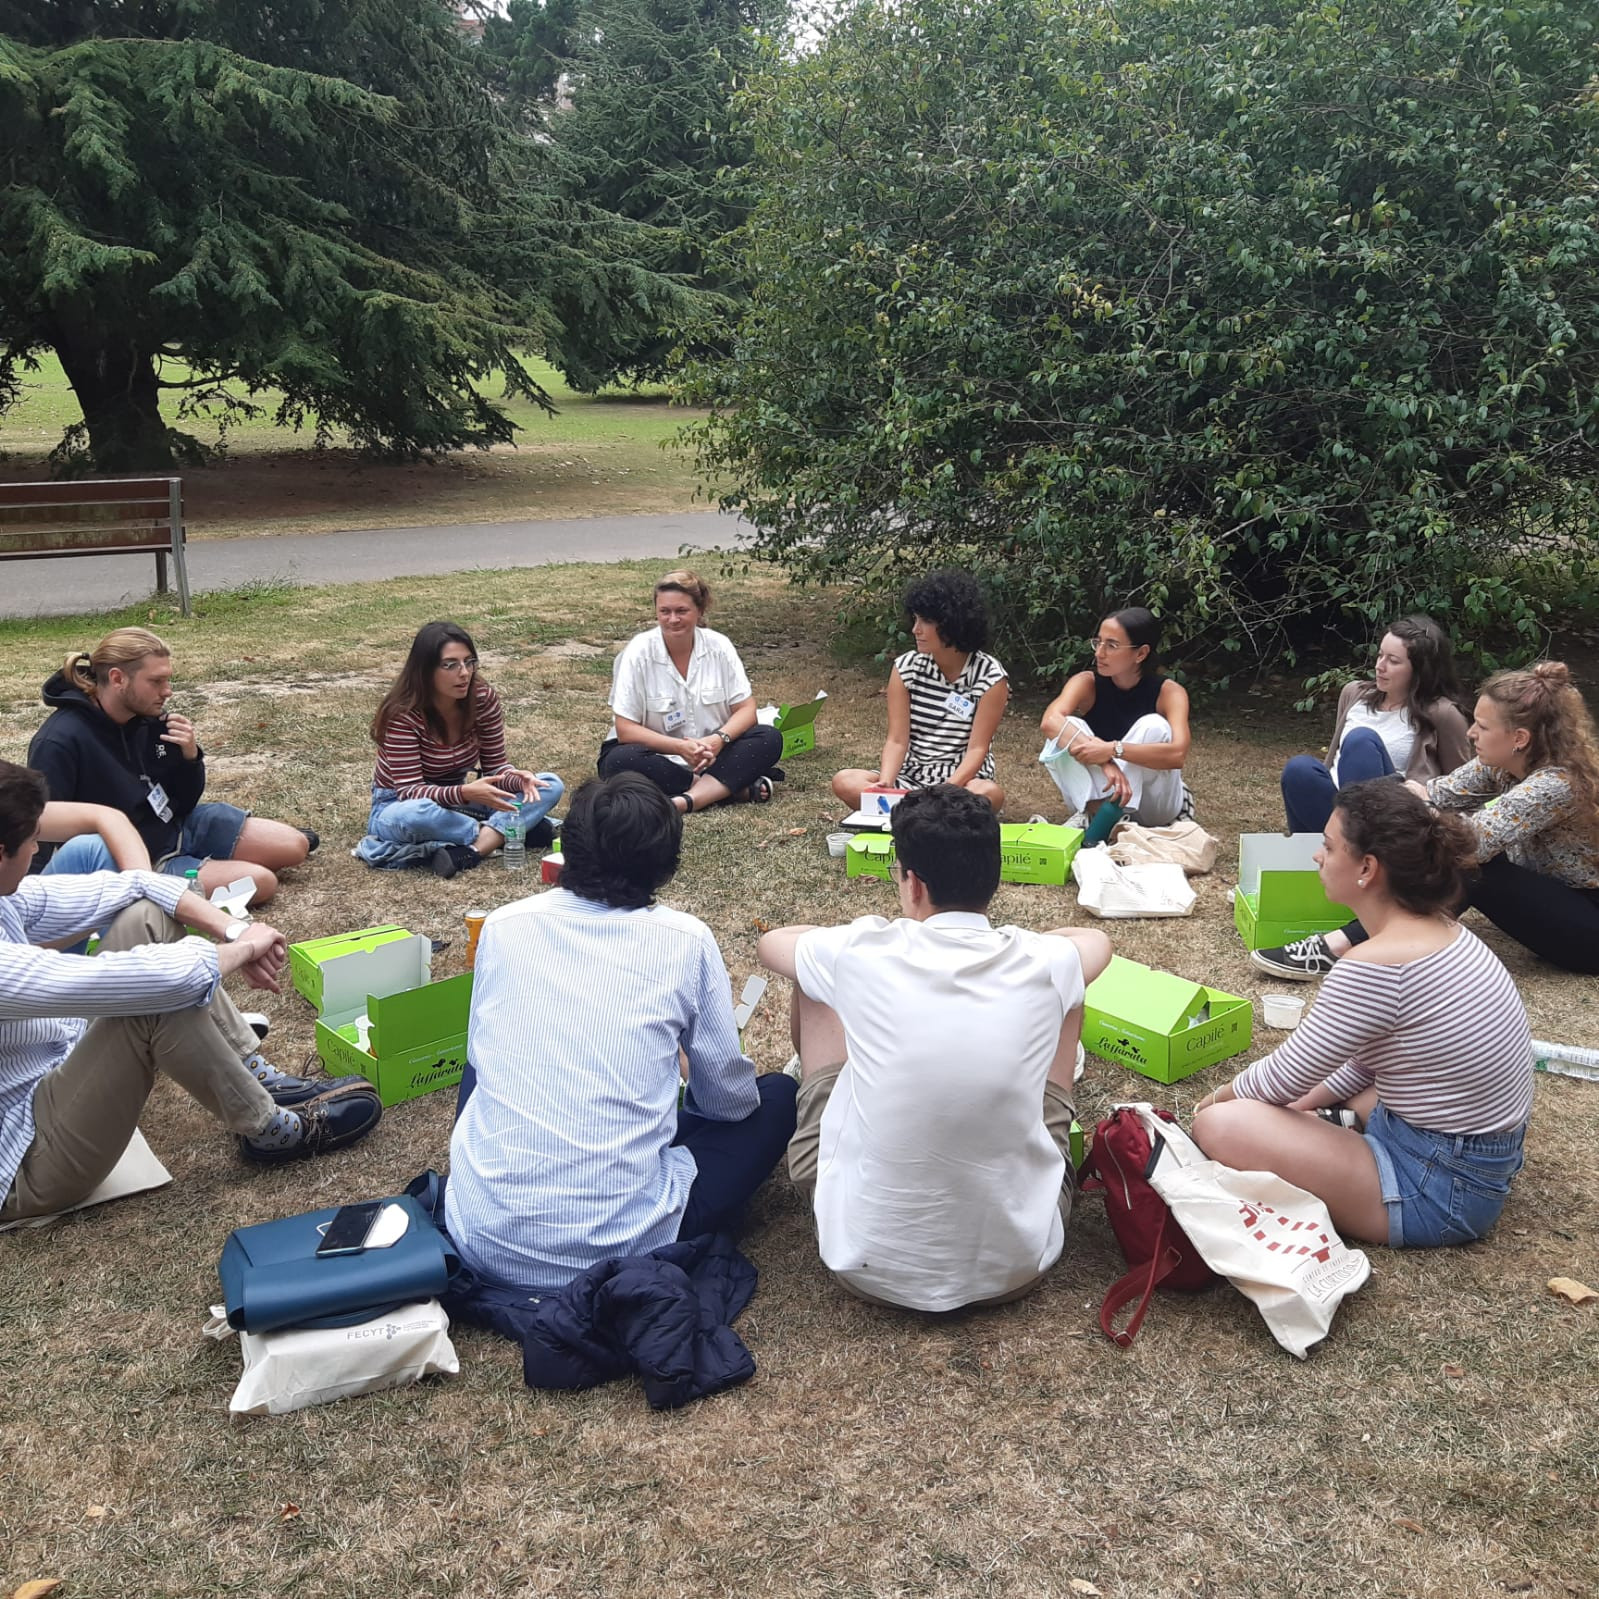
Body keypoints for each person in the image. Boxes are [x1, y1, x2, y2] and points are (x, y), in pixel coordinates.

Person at [758, 784, 1112, 1312]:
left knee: (811, 978)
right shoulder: (1041, 958)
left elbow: (774, 944)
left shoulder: (862, 950)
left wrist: (848, 942)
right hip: (1019, 1260)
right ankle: (1036, 1078)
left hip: (865, 1261)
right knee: (1070, 986)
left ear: (913, 882)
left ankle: (825, 1085)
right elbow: (1096, 944)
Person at [445, 773, 797, 1291]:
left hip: (480, 1235)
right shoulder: (685, 939)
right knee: (779, 1097)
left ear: (570, 846)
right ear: (667, 861)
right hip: (623, 1246)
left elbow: (487, 1054)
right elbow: (727, 1103)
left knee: (482, 1062)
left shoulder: (503, 924)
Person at [0, 761, 382, 1224]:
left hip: (42, 1084)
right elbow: (153, 982)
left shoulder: (8, 898)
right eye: (30, 843)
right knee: (153, 1000)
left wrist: (235, 927)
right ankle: (268, 1131)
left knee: (145, 915)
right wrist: (242, 951)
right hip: (25, 1165)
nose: (39, 849)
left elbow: (138, 885)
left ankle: (252, 1072)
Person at [1193, 780, 1532, 1249]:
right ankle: (1342, 1128)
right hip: (1480, 1153)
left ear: (1367, 869)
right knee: (1317, 1097)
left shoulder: (1375, 965)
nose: (1317, 856)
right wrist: (1295, 1109)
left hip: (1439, 1189)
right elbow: (1368, 1059)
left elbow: (1281, 1079)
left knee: (1222, 1125)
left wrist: (1211, 1103)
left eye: (1329, 847)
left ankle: (1345, 1140)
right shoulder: (1445, 930)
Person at [1254, 660, 1599, 978]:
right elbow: (1439, 791)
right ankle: (1372, 921)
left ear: (1519, 739)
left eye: (1481, 726)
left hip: (1587, 929)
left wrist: (1412, 810)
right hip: (1550, 898)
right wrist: (1398, 796)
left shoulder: (1558, 784)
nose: (1470, 734)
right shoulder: (1504, 765)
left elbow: (1472, 839)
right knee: (1442, 836)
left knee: (1471, 865)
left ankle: (1344, 944)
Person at [26, 628, 315, 905]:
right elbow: (37, 825)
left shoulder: (149, 720)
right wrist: (27, 898)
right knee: (261, 882)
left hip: (177, 826)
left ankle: (215, 863)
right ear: (117, 679)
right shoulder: (60, 741)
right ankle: (185, 879)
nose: (168, 692)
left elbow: (185, 802)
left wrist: (189, 759)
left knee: (295, 846)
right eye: (156, 681)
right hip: (141, 859)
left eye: (168, 680)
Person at [356, 621, 564, 879]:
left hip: (461, 804)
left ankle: (475, 849)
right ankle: (507, 831)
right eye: (450, 665)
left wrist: (518, 779)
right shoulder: (402, 714)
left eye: (469, 662)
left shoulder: (482, 699)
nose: (464, 672)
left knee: (549, 784)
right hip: (399, 804)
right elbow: (410, 792)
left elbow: (496, 767)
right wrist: (465, 792)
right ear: (425, 670)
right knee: (415, 815)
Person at [598, 570, 785, 815]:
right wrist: (679, 748)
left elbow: (747, 710)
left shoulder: (719, 646)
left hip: (715, 753)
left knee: (769, 738)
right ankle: (726, 790)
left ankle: (686, 800)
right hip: (659, 755)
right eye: (665, 611)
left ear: (700, 611)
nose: (672, 619)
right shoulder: (637, 652)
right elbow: (625, 729)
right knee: (618, 761)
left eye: (681, 611)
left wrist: (718, 740)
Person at [832, 570, 1010, 814]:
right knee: (845, 780)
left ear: (952, 624)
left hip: (961, 782)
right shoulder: (906, 668)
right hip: (911, 777)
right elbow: (897, 740)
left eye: (926, 621)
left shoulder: (990, 676)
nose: (915, 629)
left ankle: (915, 816)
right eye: (915, 619)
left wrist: (945, 791)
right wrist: (885, 783)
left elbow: (977, 749)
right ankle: (921, 816)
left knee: (988, 794)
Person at [1278, 614, 1469, 835]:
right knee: (1299, 769)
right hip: (1339, 808)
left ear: (1420, 669)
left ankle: (1360, 852)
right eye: (1380, 655)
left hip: (1393, 821)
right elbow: (1334, 761)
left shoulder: (1443, 714)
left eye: (1393, 661)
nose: (1380, 666)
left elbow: (1463, 789)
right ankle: (1328, 851)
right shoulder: (1354, 694)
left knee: (1361, 742)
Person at [1037, 607, 1193, 826]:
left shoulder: (1169, 692)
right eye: (1098, 642)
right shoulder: (1086, 682)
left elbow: (1177, 755)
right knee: (1068, 725)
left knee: (1153, 725)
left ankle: (1100, 825)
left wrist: (1112, 749)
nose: (1099, 653)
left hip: (1153, 805)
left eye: (1111, 645)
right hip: (1097, 796)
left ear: (1141, 654)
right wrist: (1106, 763)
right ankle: (1103, 817)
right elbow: (1050, 721)